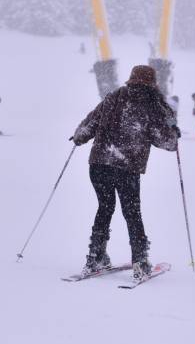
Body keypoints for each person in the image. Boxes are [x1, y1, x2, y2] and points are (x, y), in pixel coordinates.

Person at [71, 65, 180, 281]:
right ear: (152, 83)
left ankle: (95, 257)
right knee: (132, 213)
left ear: (131, 79)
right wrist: (173, 132)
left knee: (105, 207)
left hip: (99, 164)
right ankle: (140, 262)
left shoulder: (113, 97)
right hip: (126, 167)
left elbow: (88, 126)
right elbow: (166, 142)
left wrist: (78, 137)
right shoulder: (153, 105)